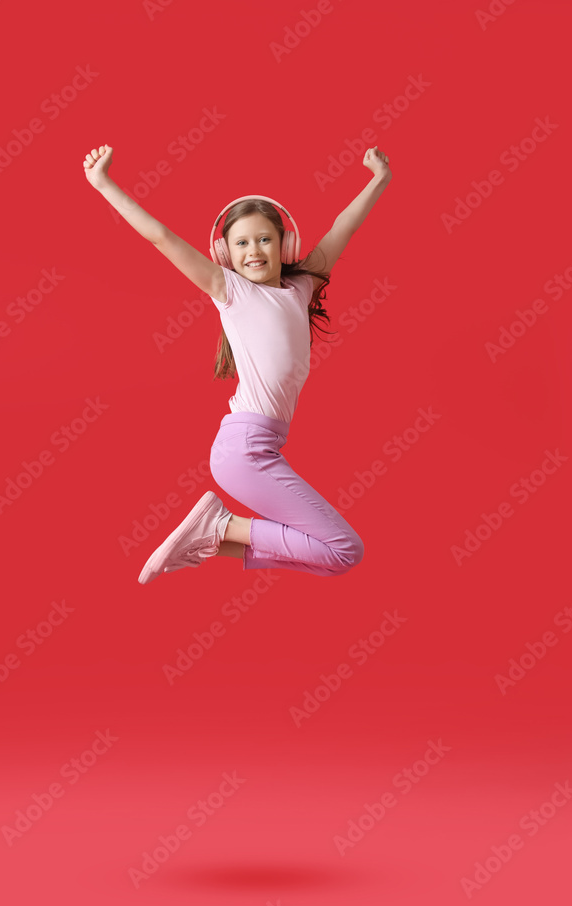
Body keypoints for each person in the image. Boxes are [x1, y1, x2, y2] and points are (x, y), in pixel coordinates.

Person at [82, 142, 392, 583]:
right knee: (344, 549)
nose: (254, 251)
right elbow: (160, 236)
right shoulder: (230, 290)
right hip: (244, 449)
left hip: (257, 447)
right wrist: (104, 184)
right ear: (225, 253)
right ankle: (220, 526)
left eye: (265, 239)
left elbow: (344, 227)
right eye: (241, 242)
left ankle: (213, 537)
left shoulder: (300, 286)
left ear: (285, 243)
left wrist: (378, 180)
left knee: (340, 555)